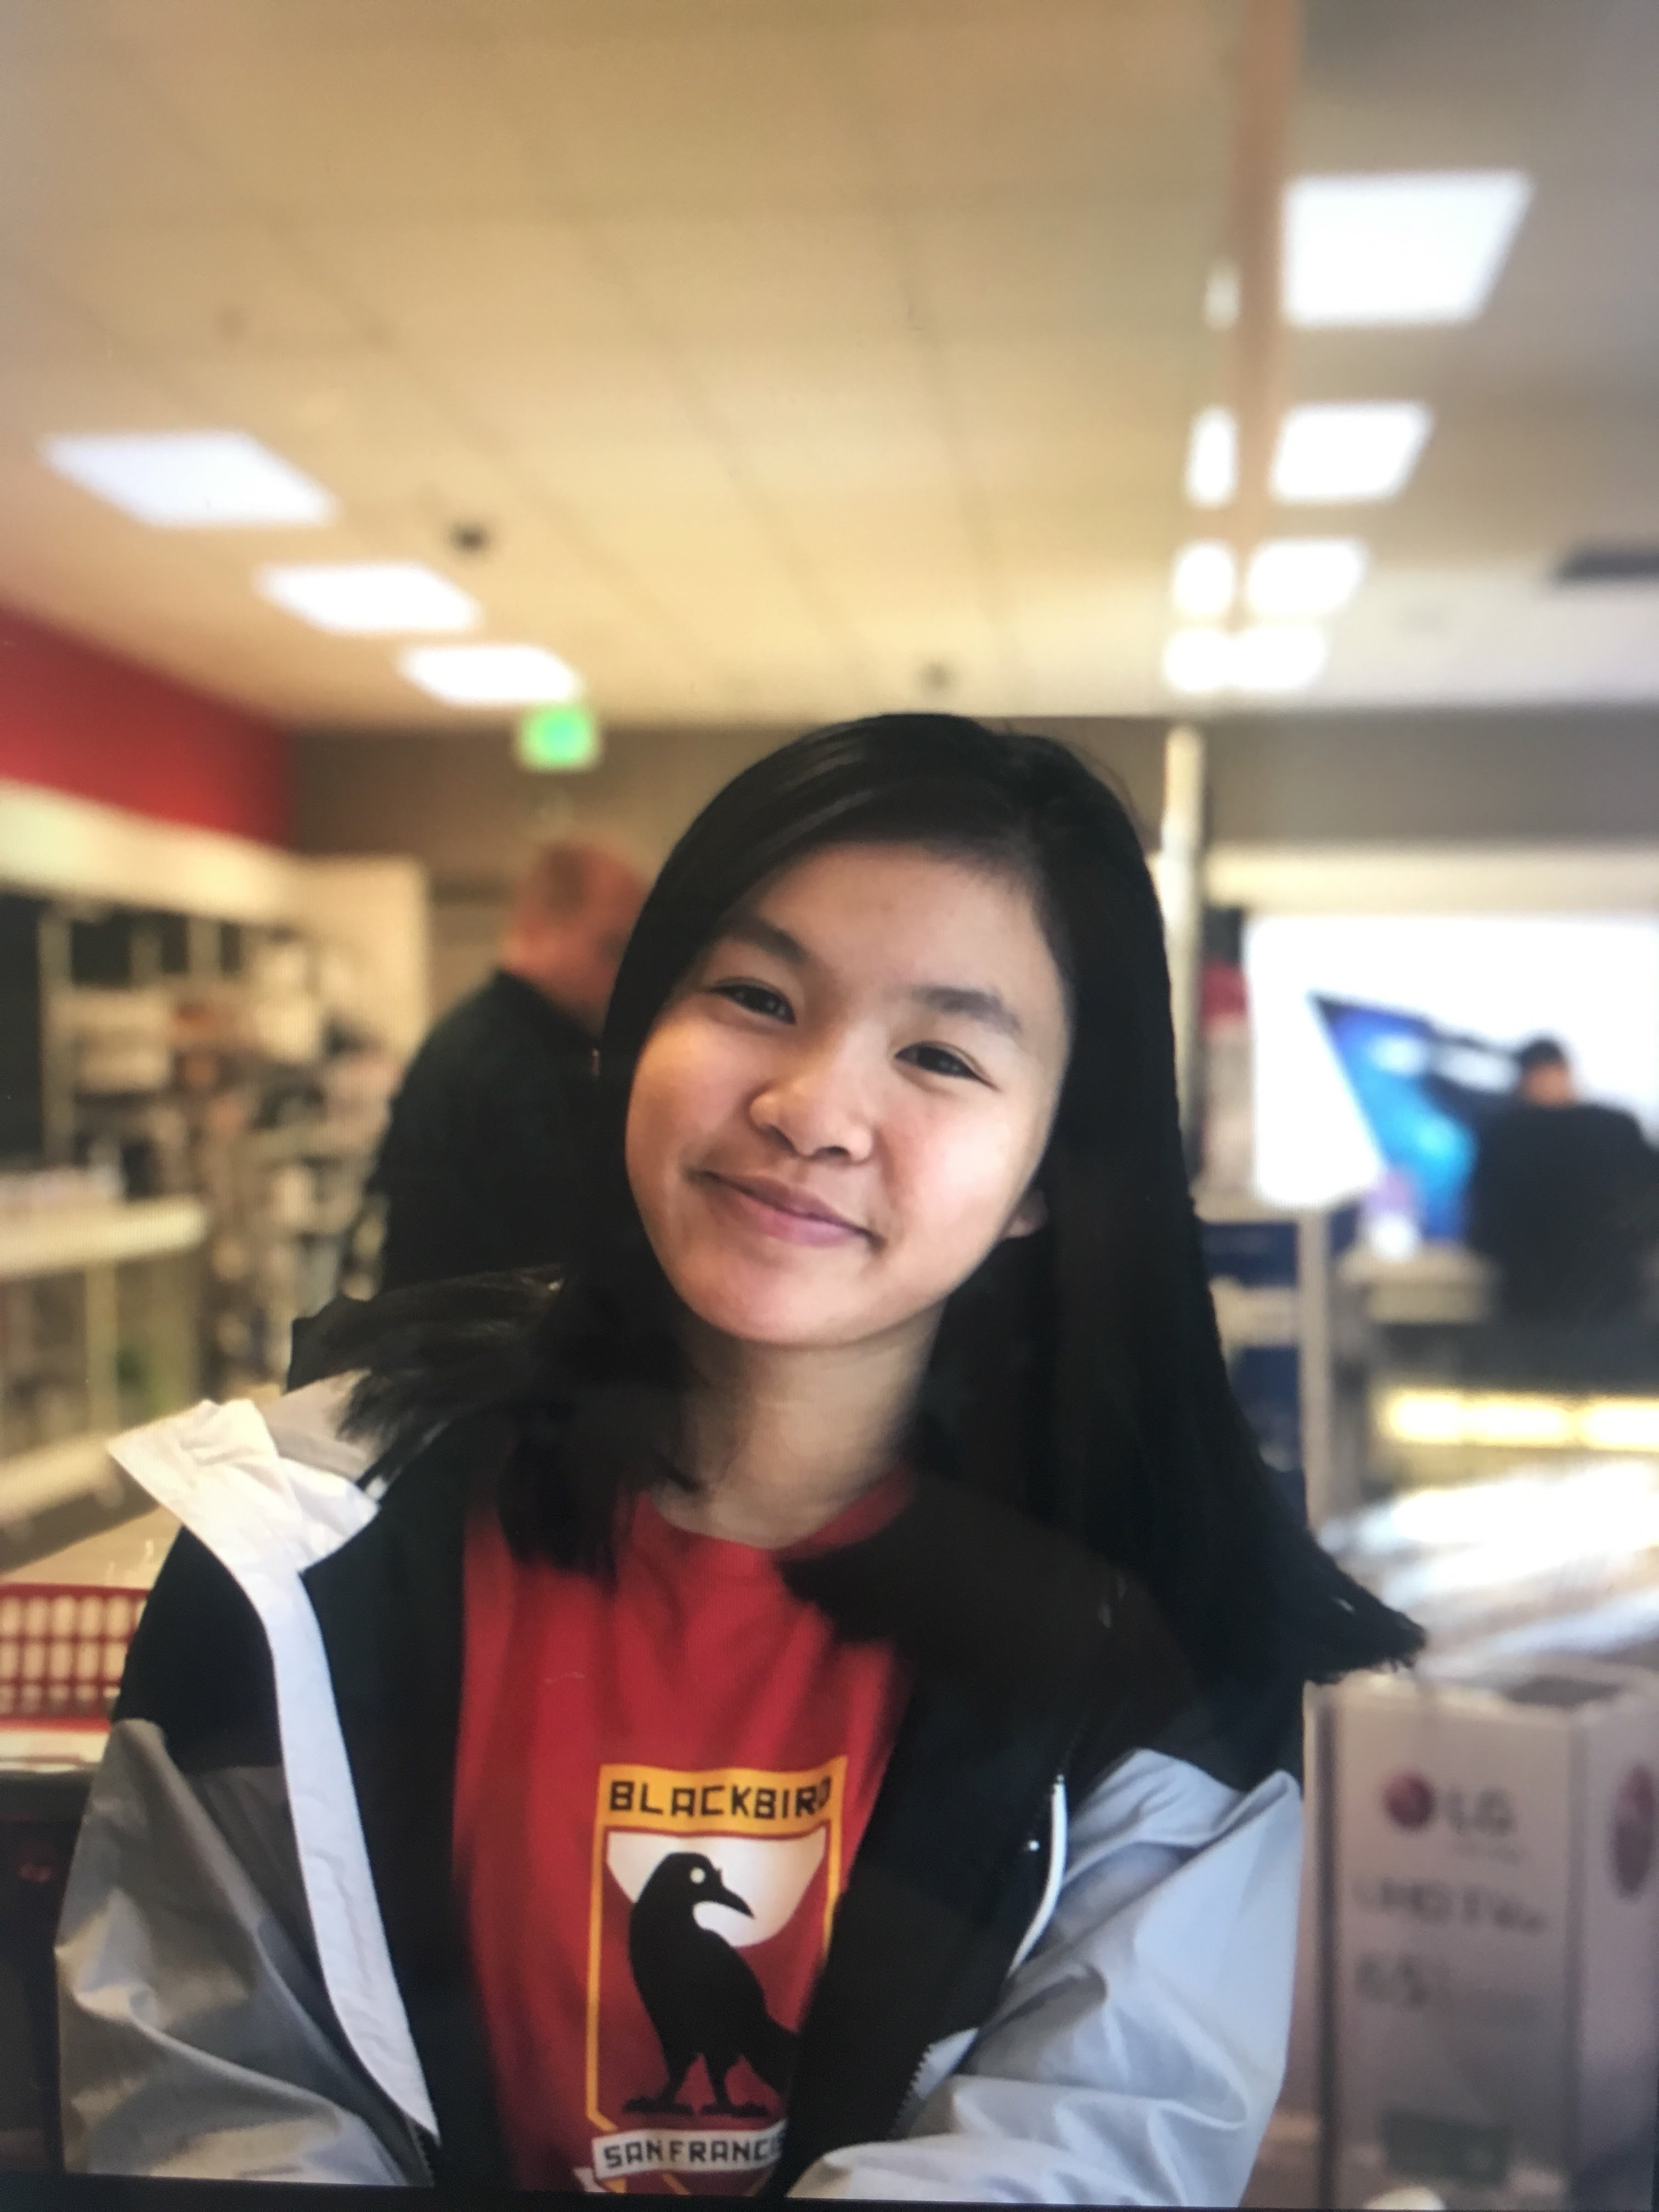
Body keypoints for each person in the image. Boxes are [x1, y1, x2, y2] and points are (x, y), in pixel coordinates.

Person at [58, 715, 1419, 2201]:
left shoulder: (1158, 1645)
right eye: (757, 997)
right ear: (636, 1031)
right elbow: (213, 2101)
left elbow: (1085, 2145)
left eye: (941, 1054)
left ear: (1050, 1173)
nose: (813, 1109)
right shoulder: (308, 1551)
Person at [368, 839, 647, 1290]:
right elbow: (552, 1257)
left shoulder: (498, 1043)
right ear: (541, 925)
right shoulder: (503, 1065)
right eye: (611, 948)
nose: (625, 978)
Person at [1466, 1035, 1659, 1327]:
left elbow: (1483, 1230)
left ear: (1522, 1080)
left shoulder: (1503, 1137)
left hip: (1527, 1305)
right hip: (1614, 1303)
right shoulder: (1616, 1129)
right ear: (1566, 1072)